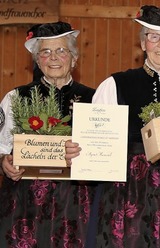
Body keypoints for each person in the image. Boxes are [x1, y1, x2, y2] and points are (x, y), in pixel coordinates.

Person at [65, 6, 160, 247]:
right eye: (153, 36)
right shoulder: (114, 85)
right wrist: (79, 155)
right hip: (127, 194)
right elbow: (93, 146)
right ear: (143, 43)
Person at [0, 21, 95, 247]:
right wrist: (4, 164)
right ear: (37, 60)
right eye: (45, 52)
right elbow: (0, 148)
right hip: (25, 201)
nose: (53, 57)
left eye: (62, 51)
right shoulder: (15, 98)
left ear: (74, 59)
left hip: (76, 200)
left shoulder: (95, 99)